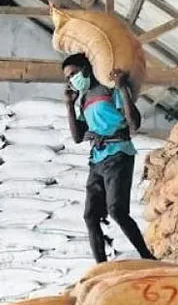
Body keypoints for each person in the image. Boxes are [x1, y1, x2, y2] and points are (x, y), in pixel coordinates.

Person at [62, 53, 156, 263]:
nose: (71, 80)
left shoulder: (109, 89)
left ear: (86, 70)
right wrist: (69, 105)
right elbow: (77, 137)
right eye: (67, 78)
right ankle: (101, 267)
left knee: (117, 211)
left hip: (119, 153)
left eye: (73, 74)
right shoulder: (83, 100)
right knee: (90, 216)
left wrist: (122, 89)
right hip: (97, 159)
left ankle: (147, 256)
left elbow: (134, 124)